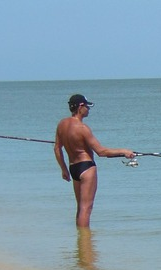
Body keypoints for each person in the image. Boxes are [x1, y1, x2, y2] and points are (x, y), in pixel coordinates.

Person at [53, 93, 135, 229]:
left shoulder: (62, 124)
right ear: (80, 107)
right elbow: (101, 152)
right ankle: (85, 241)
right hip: (86, 167)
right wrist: (124, 151)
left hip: (73, 168)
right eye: (87, 106)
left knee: (80, 207)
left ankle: (80, 240)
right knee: (87, 208)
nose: (88, 109)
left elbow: (57, 148)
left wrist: (64, 169)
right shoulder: (83, 128)